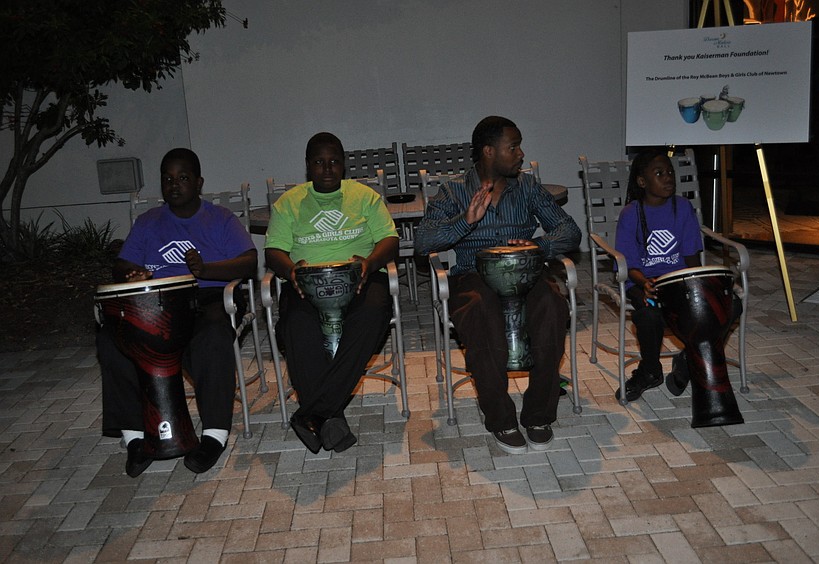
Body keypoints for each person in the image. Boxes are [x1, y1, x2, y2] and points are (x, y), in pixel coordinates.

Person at [415, 116, 582, 454]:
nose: (520, 154)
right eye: (514, 147)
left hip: (526, 271)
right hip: (473, 273)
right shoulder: (454, 190)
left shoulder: (529, 187)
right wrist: (466, 221)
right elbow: (423, 241)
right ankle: (500, 416)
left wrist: (539, 246)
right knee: (480, 311)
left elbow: (569, 230)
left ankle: (539, 413)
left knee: (553, 307)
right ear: (489, 151)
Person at [98, 148, 258, 477]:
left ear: (198, 182)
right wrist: (132, 273)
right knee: (110, 338)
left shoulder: (221, 219)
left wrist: (206, 268)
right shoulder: (148, 223)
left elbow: (249, 262)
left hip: (208, 296)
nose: (174, 184)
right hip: (156, 304)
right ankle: (136, 439)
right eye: (167, 179)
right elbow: (123, 264)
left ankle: (214, 435)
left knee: (214, 333)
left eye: (183, 178)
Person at [265, 132, 399, 454]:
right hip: (305, 283)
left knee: (370, 316)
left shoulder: (364, 197)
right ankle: (331, 417)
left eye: (334, 161)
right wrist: (290, 271)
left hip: (361, 279)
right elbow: (273, 252)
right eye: (319, 162)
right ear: (308, 166)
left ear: (344, 164)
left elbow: (390, 241)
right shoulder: (289, 203)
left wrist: (371, 262)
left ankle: (312, 412)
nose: (327, 168)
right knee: (297, 327)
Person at [613, 147, 739, 402]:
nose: (668, 177)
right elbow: (627, 265)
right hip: (643, 282)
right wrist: (643, 282)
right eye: (659, 173)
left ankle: (690, 356)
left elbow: (692, 256)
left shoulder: (682, 207)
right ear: (642, 181)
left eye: (670, 172)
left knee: (731, 304)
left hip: (679, 282)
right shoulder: (631, 213)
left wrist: (698, 286)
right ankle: (650, 371)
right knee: (648, 314)